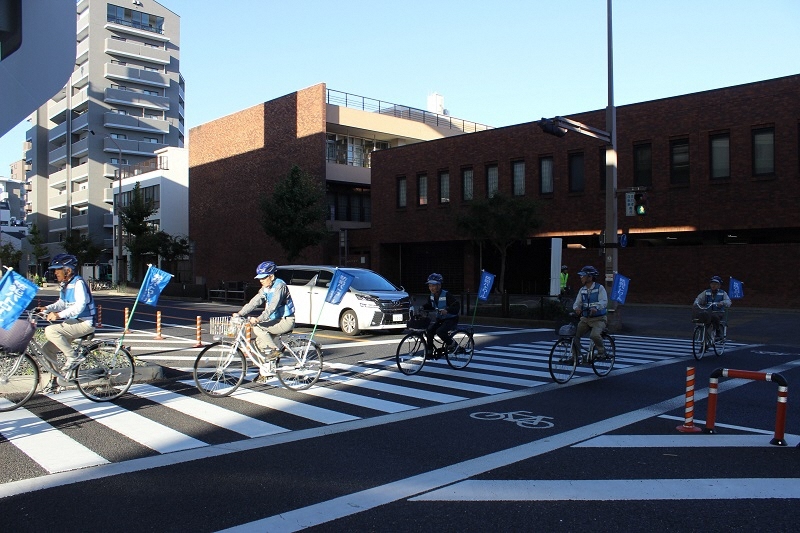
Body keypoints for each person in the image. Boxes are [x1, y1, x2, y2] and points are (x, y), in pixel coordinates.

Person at [35, 254, 96, 388]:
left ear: (68, 270)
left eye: (58, 269)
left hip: (84, 322)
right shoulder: (65, 284)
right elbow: (62, 303)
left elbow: (80, 305)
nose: (55, 272)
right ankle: (57, 380)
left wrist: (58, 315)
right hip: (73, 323)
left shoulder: (78, 283)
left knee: (50, 330)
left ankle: (73, 357)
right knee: (47, 350)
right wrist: (46, 308)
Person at [233, 261, 295, 361]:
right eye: (259, 278)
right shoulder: (265, 288)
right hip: (275, 320)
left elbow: (272, 307)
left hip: (285, 320)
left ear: (271, 276)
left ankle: (275, 350)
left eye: (263, 277)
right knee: (257, 346)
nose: (261, 280)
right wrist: (240, 313)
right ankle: (265, 373)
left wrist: (258, 319)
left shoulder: (280, 286)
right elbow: (254, 302)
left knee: (257, 327)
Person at [421, 273, 461, 358]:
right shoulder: (431, 296)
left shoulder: (447, 295)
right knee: (430, 331)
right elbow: (430, 305)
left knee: (440, 331)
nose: (431, 288)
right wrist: (422, 307)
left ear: (439, 286)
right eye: (430, 286)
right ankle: (429, 352)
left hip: (451, 319)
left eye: (433, 285)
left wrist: (447, 310)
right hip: (441, 319)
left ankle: (453, 345)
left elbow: (457, 306)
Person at [572, 265, 608, 360]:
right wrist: (576, 308)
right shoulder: (582, 290)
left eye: (583, 275)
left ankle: (601, 351)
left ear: (590, 277)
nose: (581, 278)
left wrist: (596, 307)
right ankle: (575, 355)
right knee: (575, 335)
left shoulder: (599, 288)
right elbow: (577, 303)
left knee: (594, 335)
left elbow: (604, 301)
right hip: (585, 319)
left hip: (599, 319)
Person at [693, 275, 731, 339]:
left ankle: (718, 331)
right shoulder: (706, 292)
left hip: (718, 312)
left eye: (716, 284)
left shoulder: (723, 293)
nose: (713, 285)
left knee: (714, 317)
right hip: (708, 311)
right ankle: (705, 340)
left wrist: (722, 303)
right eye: (712, 283)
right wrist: (696, 303)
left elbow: (728, 302)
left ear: (719, 285)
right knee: (700, 316)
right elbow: (699, 298)